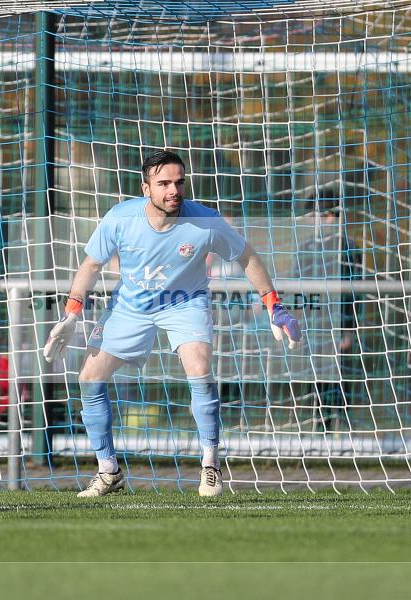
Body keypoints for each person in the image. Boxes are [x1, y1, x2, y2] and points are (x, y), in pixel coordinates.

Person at [43, 150, 301, 497]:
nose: (173, 190)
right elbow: (91, 266)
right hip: (131, 306)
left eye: (179, 182)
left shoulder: (204, 221)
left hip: (185, 303)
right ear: (145, 187)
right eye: (163, 183)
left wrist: (273, 304)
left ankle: (210, 466)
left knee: (199, 367)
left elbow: (246, 256)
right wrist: (72, 313)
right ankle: (108, 472)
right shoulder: (121, 218)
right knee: (89, 378)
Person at [290, 187, 362, 432]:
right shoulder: (305, 248)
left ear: (331, 216)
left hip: (336, 324)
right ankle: (320, 428)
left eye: (317, 216)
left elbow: (353, 293)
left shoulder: (347, 248)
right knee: (316, 379)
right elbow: (296, 286)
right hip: (313, 324)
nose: (314, 222)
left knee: (339, 379)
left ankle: (342, 428)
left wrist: (348, 329)